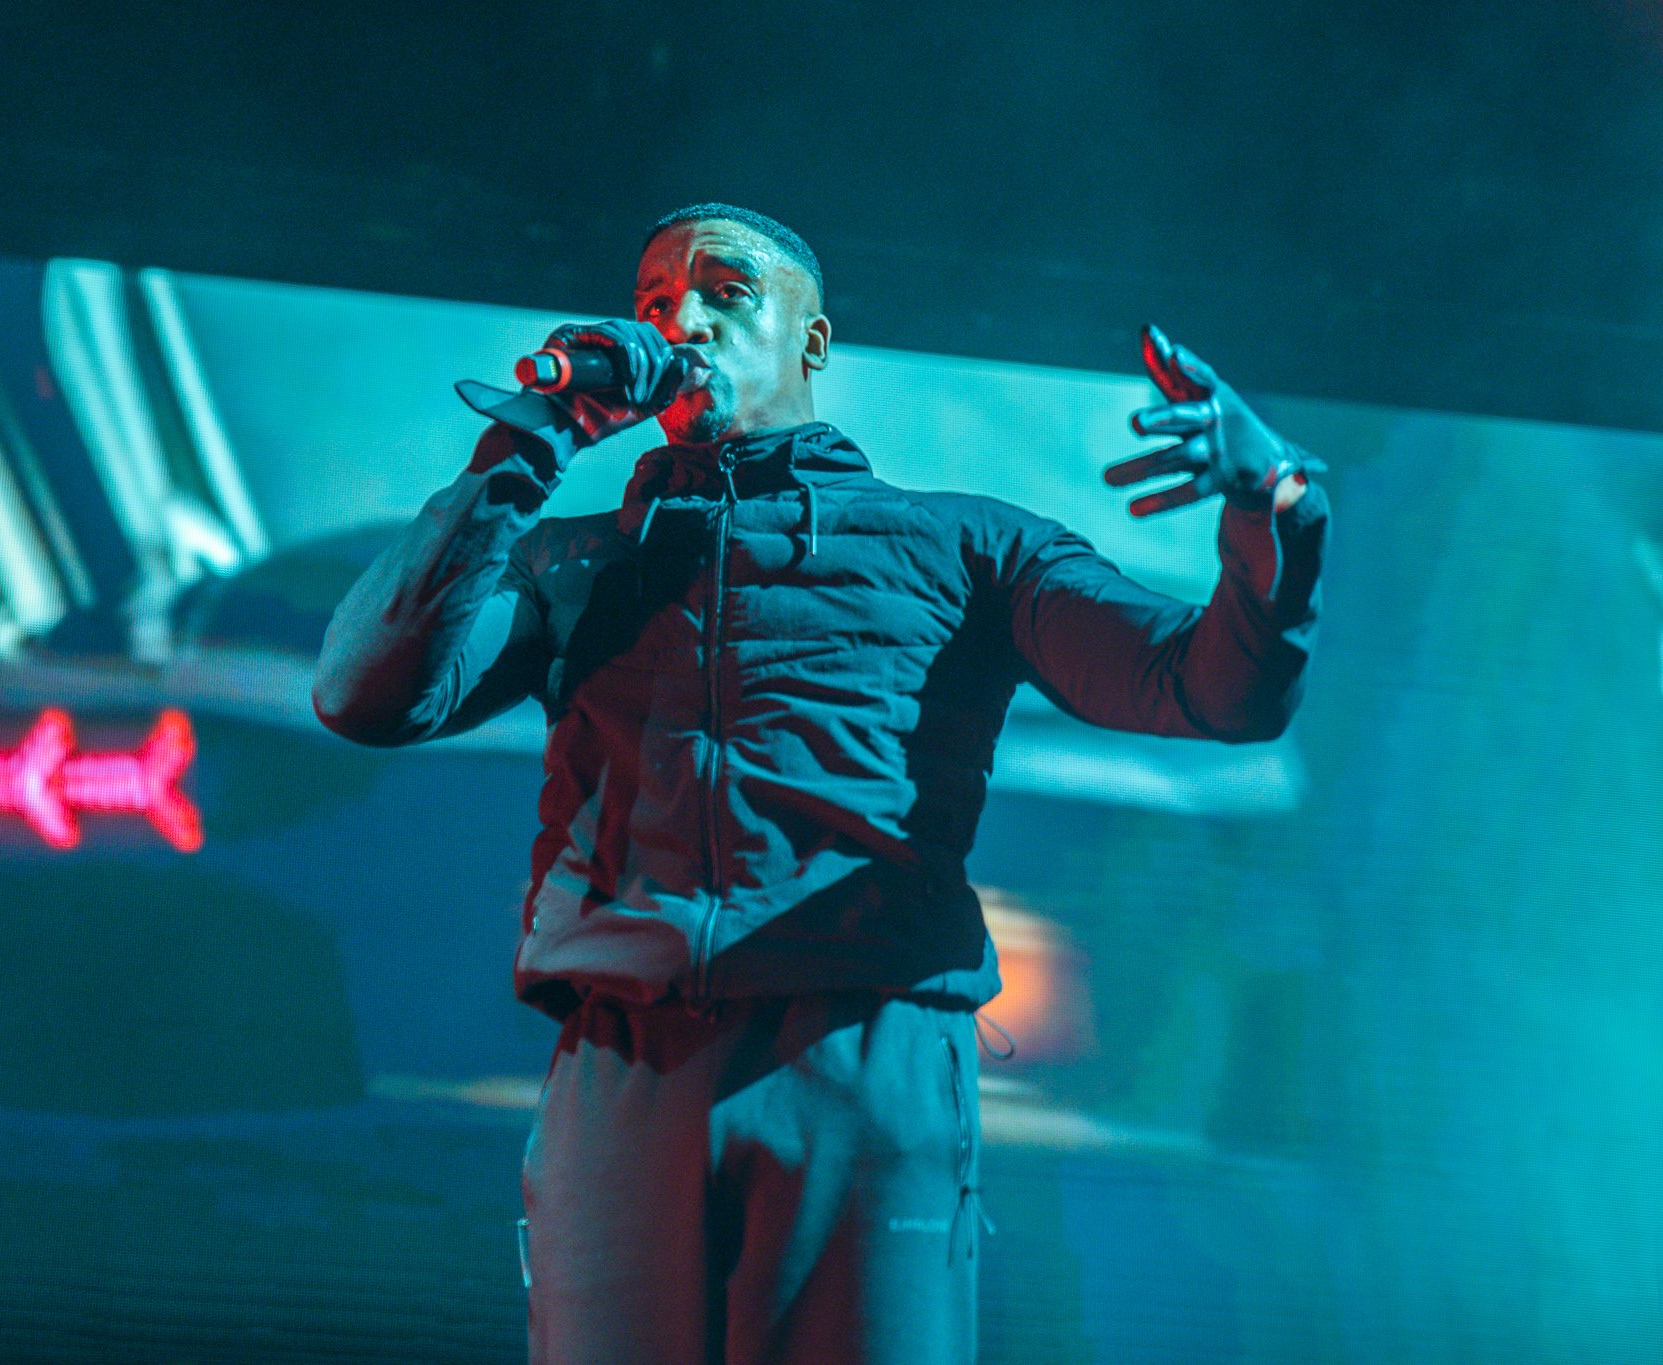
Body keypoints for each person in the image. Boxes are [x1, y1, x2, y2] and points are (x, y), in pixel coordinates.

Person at [312, 202, 1328, 1365]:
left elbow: (1210, 690)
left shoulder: (965, 549)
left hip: (860, 1056)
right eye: (654, 302)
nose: (682, 321)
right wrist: (526, 447)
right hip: (623, 1069)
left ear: (812, 340)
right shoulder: (574, 563)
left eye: (723, 292)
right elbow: (366, 697)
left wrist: (1274, 508)